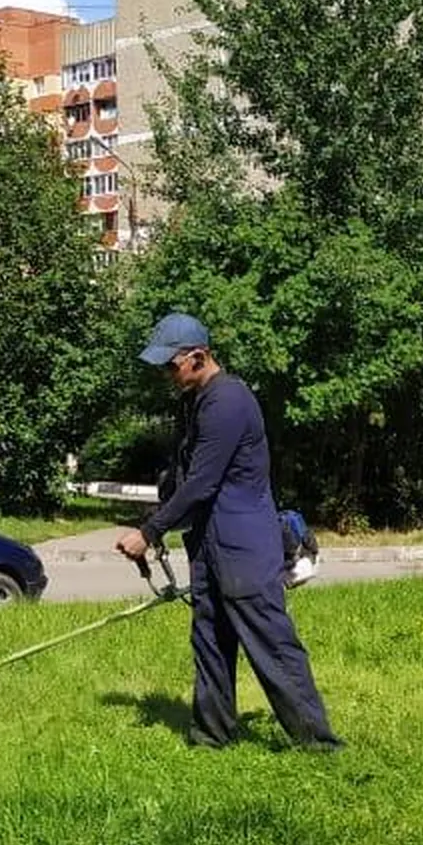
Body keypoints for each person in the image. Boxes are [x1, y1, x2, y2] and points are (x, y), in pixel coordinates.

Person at [116, 313, 344, 752]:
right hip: (208, 546)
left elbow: (203, 482)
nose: (167, 374)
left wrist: (149, 531)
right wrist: (164, 515)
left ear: (198, 357)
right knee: (210, 642)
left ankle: (319, 744)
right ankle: (211, 736)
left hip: (244, 545)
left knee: (272, 646)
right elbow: (183, 476)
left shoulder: (228, 401)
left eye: (172, 365)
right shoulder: (194, 400)